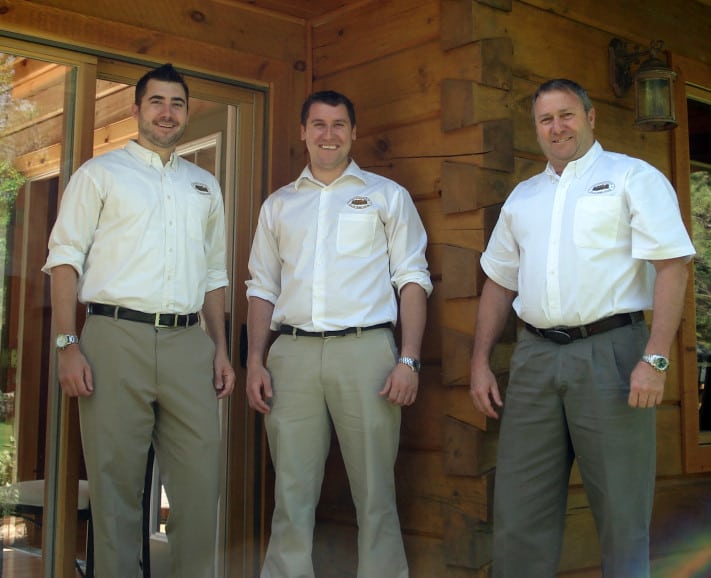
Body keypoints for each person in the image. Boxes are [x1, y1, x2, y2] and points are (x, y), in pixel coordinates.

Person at [469, 78, 695, 578]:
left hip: (612, 354)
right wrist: (480, 362)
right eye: (546, 119)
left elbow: (673, 266)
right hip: (534, 359)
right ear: (536, 129)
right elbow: (499, 283)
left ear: (591, 117)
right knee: (519, 510)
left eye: (566, 114)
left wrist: (655, 358)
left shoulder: (633, 177)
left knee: (621, 510)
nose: (557, 127)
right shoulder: (522, 198)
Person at [42, 63, 235, 578]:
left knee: (198, 489)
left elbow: (215, 273)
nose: (167, 112)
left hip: (188, 342)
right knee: (115, 492)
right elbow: (65, 259)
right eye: (156, 102)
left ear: (187, 112)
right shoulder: (99, 175)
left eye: (176, 103)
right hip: (113, 339)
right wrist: (67, 343)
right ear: (136, 110)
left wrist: (220, 347)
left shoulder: (204, 185)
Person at [245, 90, 432, 578]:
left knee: (375, 493)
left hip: (367, 353)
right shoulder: (278, 206)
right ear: (303, 132)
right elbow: (262, 287)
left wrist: (408, 359)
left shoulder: (387, 196)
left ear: (353, 132)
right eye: (319, 125)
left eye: (339, 125)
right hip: (292, 356)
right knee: (291, 493)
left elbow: (412, 278)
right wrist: (255, 361)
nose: (329, 134)